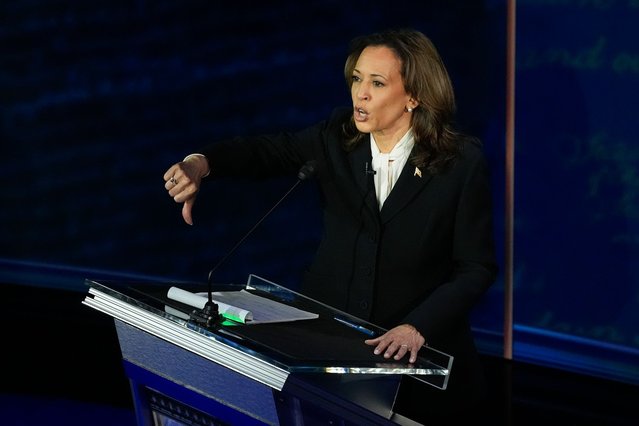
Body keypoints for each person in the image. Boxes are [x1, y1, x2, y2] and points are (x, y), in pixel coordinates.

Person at [164, 28, 497, 422]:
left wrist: (416, 328)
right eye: (357, 79)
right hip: (327, 360)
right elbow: (265, 152)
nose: (361, 94)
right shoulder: (336, 138)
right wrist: (200, 164)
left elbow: (476, 267)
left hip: (416, 372)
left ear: (414, 96)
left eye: (377, 82)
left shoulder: (459, 162)